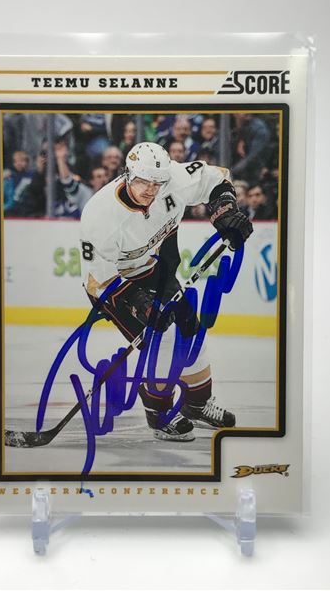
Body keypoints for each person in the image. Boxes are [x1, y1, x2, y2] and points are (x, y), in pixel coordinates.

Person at [80, 142, 253, 441]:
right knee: (164, 338)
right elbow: (97, 279)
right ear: (127, 174)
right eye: (143, 182)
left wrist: (225, 212)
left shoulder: (174, 179)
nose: (150, 190)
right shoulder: (101, 215)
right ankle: (159, 413)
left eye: (157, 183)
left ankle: (196, 404)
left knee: (191, 332)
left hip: (153, 268)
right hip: (115, 284)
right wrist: (140, 303)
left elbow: (216, 177)